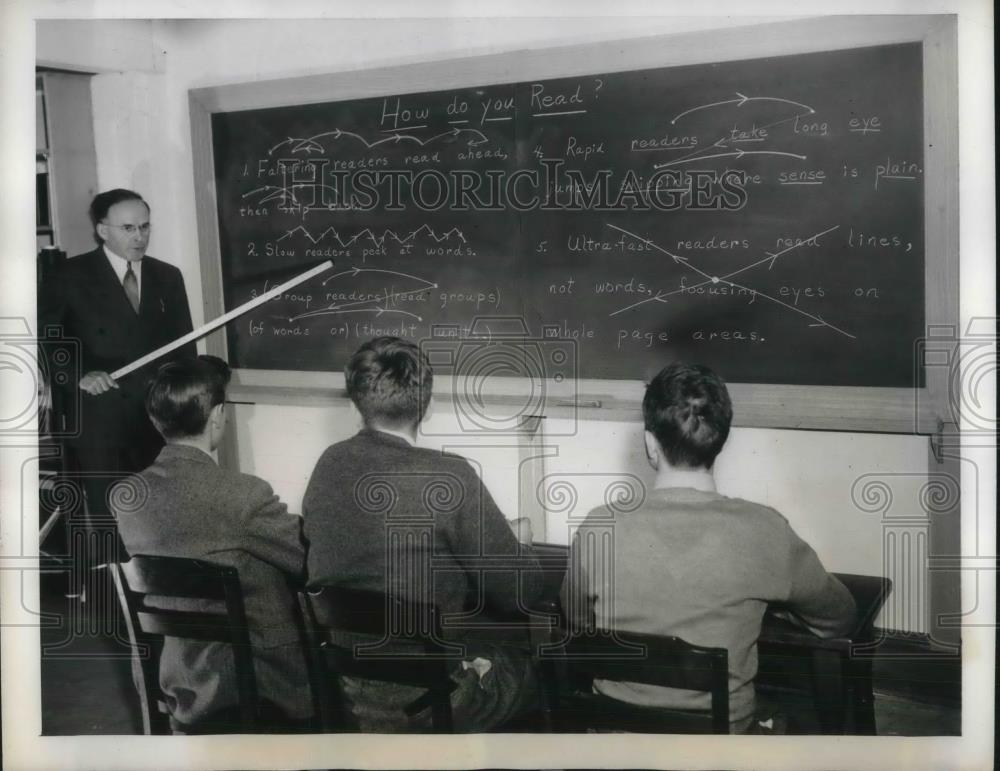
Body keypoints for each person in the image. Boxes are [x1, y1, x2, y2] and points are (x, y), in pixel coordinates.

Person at [563, 362, 856, 733]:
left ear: (650, 445)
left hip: (615, 737)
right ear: (720, 440)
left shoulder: (597, 526)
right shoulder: (765, 529)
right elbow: (839, 618)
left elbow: (574, 619)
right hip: (715, 744)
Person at [303, 336, 544, 732]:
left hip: (347, 694)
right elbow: (521, 593)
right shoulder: (449, 476)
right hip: (430, 706)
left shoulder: (329, 463)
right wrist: (519, 547)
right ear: (426, 408)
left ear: (354, 405)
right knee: (537, 666)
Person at [113, 355, 312, 733]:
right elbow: (310, 561)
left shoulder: (126, 495)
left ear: (158, 420)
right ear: (218, 415)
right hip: (260, 679)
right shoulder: (243, 494)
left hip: (180, 676)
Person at [38, 188, 195, 602]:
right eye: (128, 228)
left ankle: (163, 596)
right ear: (102, 229)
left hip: (157, 416)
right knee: (110, 513)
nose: (139, 236)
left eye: (145, 227)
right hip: (99, 418)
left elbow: (184, 350)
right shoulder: (68, 276)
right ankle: (122, 602)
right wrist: (77, 375)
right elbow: (48, 339)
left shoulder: (168, 276)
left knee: (158, 505)